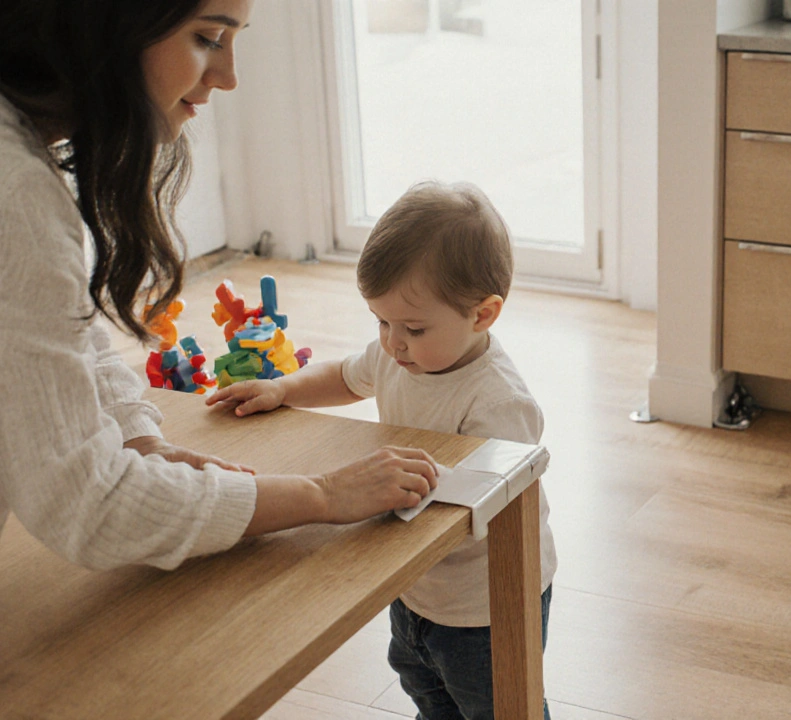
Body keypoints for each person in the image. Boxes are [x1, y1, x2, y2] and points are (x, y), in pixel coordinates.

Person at [0, 0, 439, 573]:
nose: (229, 77)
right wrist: (321, 496)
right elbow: (91, 504)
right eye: (209, 38)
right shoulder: (18, 197)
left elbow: (57, 333)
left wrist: (141, 441)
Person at [204, 181, 557, 720]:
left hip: (485, 603)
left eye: (412, 327)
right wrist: (284, 388)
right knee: (425, 691)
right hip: (415, 587)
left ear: (483, 315)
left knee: (499, 708)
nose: (392, 342)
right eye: (381, 322)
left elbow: (488, 501)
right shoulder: (400, 355)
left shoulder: (499, 402)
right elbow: (346, 376)